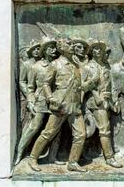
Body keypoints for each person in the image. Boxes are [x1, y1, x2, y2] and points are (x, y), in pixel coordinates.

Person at [27, 38, 93, 173]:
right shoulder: (55, 64)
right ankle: (33, 158)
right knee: (48, 133)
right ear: (61, 47)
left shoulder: (75, 64)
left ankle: (73, 162)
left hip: (74, 105)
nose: (72, 46)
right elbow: (46, 84)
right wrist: (51, 98)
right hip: (60, 104)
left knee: (81, 134)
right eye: (69, 44)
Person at [15, 37, 58, 166]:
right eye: (50, 47)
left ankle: (52, 156)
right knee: (34, 126)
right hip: (41, 100)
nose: (53, 49)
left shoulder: (57, 64)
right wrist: (31, 101)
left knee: (56, 129)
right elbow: (30, 87)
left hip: (57, 100)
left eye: (54, 47)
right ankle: (20, 152)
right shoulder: (35, 66)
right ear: (44, 50)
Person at [83, 39, 122, 168]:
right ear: (91, 52)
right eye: (95, 48)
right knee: (104, 130)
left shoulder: (106, 66)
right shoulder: (88, 67)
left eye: (100, 49)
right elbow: (83, 86)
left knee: (102, 129)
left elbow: (112, 85)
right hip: (96, 102)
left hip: (107, 101)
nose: (98, 51)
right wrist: (96, 93)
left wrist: (115, 100)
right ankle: (109, 157)